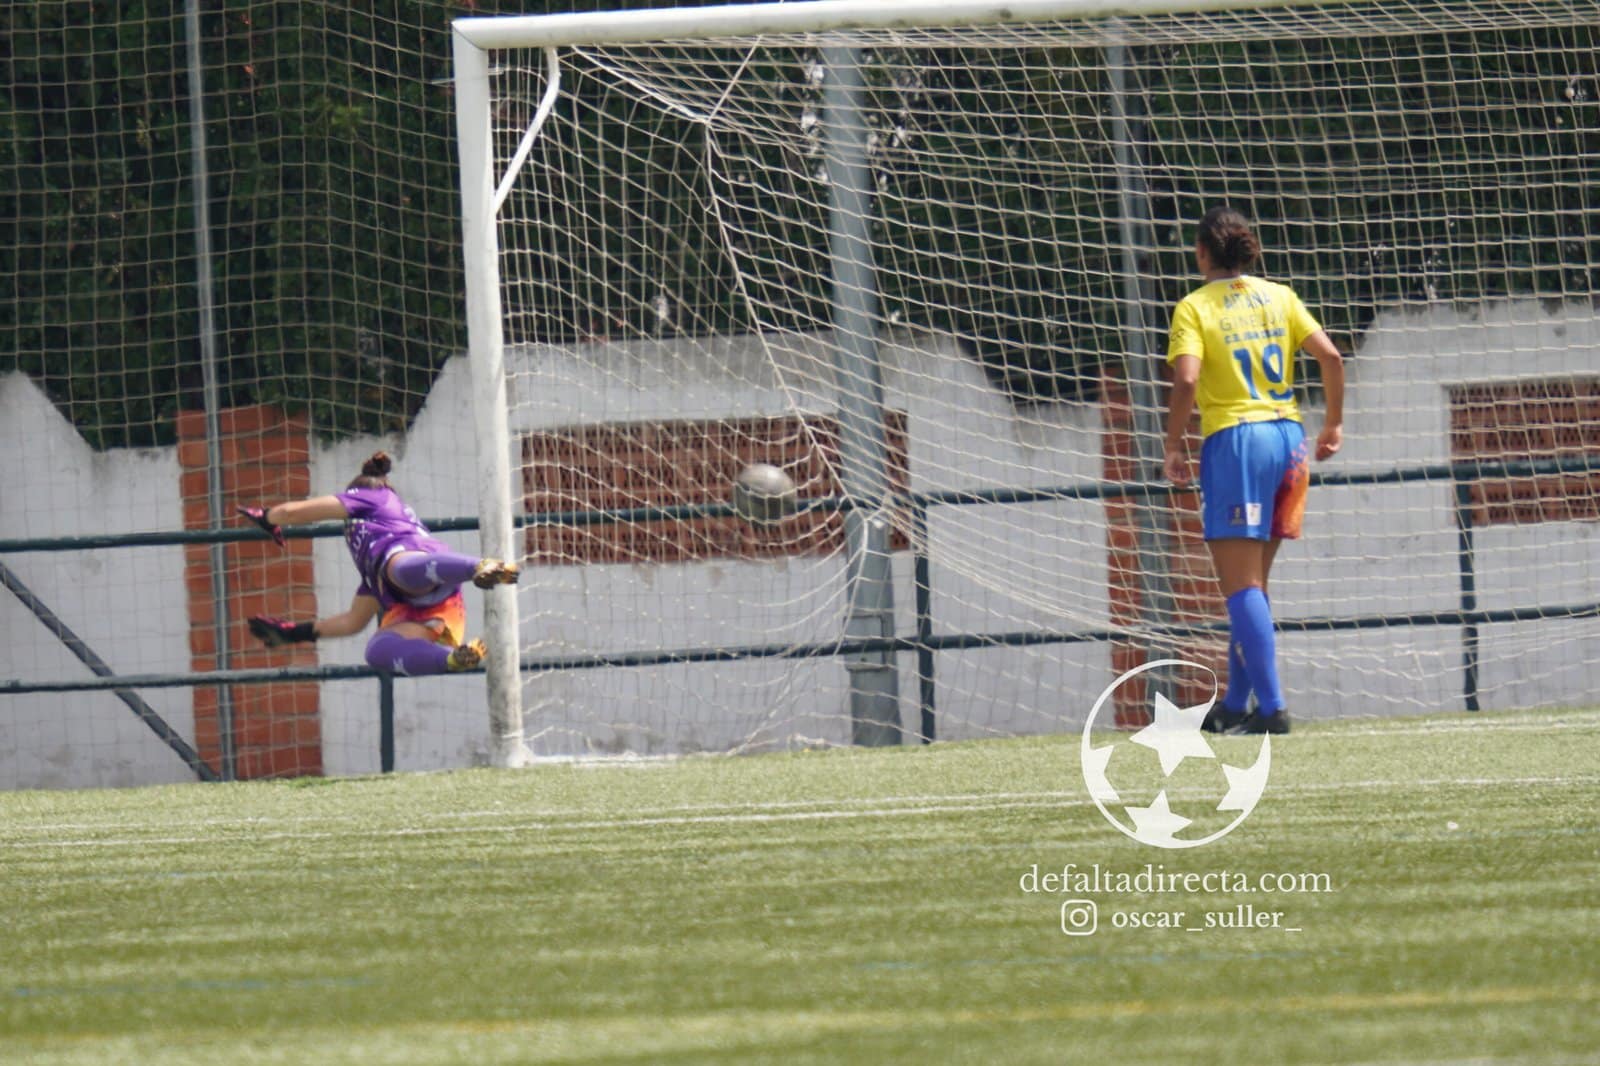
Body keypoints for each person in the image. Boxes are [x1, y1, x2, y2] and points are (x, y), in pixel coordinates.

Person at [1162, 207, 1345, 735]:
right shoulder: (1280, 296)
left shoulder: (1194, 307)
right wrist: (1333, 424)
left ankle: (1272, 709)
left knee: (1240, 586)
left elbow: (1188, 382)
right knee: (1255, 585)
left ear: (1201, 254)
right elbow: (1330, 357)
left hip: (1237, 442)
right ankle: (1235, 702)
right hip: (1289, 441)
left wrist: (1173, 444)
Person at [237, 451, 520, 675]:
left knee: (399, 569)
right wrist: (293, 634)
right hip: (439, 614)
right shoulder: (374, 578)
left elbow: (290, 512)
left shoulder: (374, 497)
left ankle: (480, 566)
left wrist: (267, 517)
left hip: (419, 564)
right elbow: (352, 621)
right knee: (376, 651)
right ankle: (452, 660)